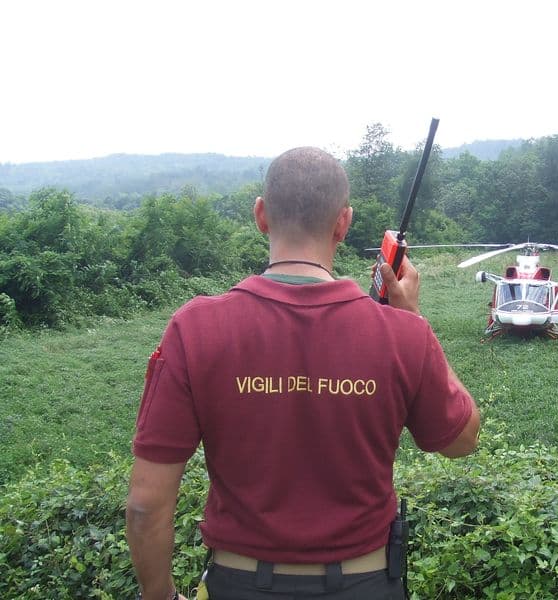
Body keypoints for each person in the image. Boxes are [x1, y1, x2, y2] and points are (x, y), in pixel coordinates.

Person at [126, 146, 481, 600]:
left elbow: (144, 504)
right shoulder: (401, 334)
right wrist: (413, 319)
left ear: (261, 216)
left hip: (237, 585)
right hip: (366, 585)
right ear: (343, 223)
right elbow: (462, 441)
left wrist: (161, 596)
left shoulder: (194, 328)